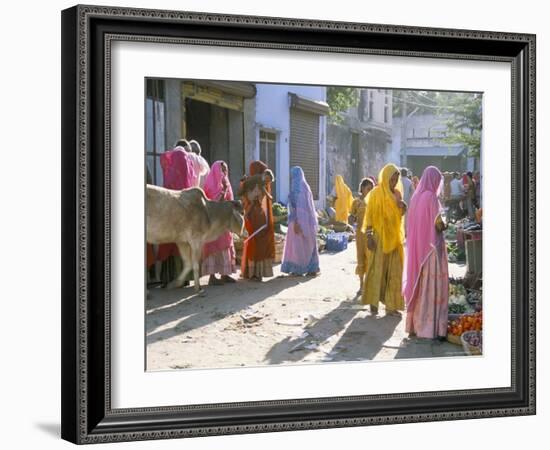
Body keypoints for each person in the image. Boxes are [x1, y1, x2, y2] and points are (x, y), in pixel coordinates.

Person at [403, 166, 449, 339]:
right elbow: (438, 225)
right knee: (431, 289)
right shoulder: (431, 198)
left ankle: (415, 326)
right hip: (431, 251)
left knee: (419, 287)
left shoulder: (415, 197)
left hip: (418, 251)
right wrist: (446, 223)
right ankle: (430, 328)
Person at [362, 164, 406, 316]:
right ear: (385, 178)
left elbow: (399, 216)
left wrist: (403, 208)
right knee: (377, 270)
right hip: (379, 238)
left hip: (394, 239)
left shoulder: (398, 194)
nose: (393, 182)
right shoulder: (376, 194)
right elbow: (369, 218)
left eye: (396, 179)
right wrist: (369, 237)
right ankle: (373, 304)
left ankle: (391, 306)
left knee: (395, 271)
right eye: (391, 179)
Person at [156, 146, 196, 285]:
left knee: (169, 242)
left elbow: (166, 187)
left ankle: (169, 278)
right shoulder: (188, 167)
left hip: (171, 211)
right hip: (185, 210)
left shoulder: (172, 169)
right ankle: (184, 279)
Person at [201, 161, 238, 286]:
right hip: (214, 223)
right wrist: (224, 190)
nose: (224, 173)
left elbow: (229, 201)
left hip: (224, 221)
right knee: (214, 247)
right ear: (216, 170)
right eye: (222, 170)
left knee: (226, 245)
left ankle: (225, 274)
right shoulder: (210, 184)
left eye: (225, 170)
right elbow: (216, 203)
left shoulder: (225, 183)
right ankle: (212, 277)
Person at [281, 166, 320, 277]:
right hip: (306, 222)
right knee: (307, 245)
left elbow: (298, 207)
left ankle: (299, 268)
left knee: (297, 246)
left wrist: (297, 222)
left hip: (298, 222)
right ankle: (312, 268)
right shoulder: (305, 188)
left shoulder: (298, 189)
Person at [240, 161, 276, 281]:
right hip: (257, 217)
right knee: (258, 243)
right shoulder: (257, 183)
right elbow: (263, 198)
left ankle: (251, 272)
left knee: (252, 243)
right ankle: (258, 273)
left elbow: (244, 199)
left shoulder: (246, 183)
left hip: (250, 217)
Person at [350, 177, 375, 293]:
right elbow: (352, 217)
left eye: (372, 189)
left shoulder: (374, 201)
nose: (370, 191)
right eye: (368, 188)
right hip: (360, 235)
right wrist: (351, 218)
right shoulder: (356, 202)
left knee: (371, 258)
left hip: (371, 234)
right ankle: (361, 285)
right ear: (362, 189)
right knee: (360, 258)